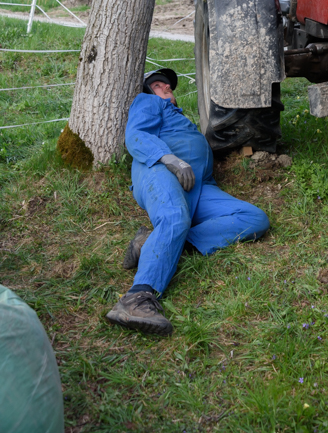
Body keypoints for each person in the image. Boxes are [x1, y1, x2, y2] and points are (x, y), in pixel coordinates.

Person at [106, 68, 270, 335]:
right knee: (174, 216)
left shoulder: (179, 116)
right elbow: (135, 135)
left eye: (168, 85)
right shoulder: (147, 102)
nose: (166, 87)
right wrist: (170, 159)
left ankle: (155, 243)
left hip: (200, 186)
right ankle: (136, 298)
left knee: (254, 218)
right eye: (158, 85)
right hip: (159, 170)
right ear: (148, 90)